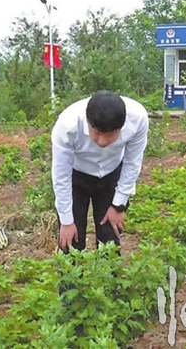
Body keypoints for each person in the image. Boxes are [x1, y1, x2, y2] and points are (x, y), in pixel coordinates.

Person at [51, 90, 149, 254]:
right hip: (76, 177)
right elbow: (61, 175)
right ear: (88, 121)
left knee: (110, 239)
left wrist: (119, 205)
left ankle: (109, 279)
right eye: (96, 133)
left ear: (122, 126)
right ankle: (70, 279)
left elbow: (132, 162)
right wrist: (66, 222)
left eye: (111, 135)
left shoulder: (137, 119)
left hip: (111, 174)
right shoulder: (68, 125)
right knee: (70, 244)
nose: (103, 142)